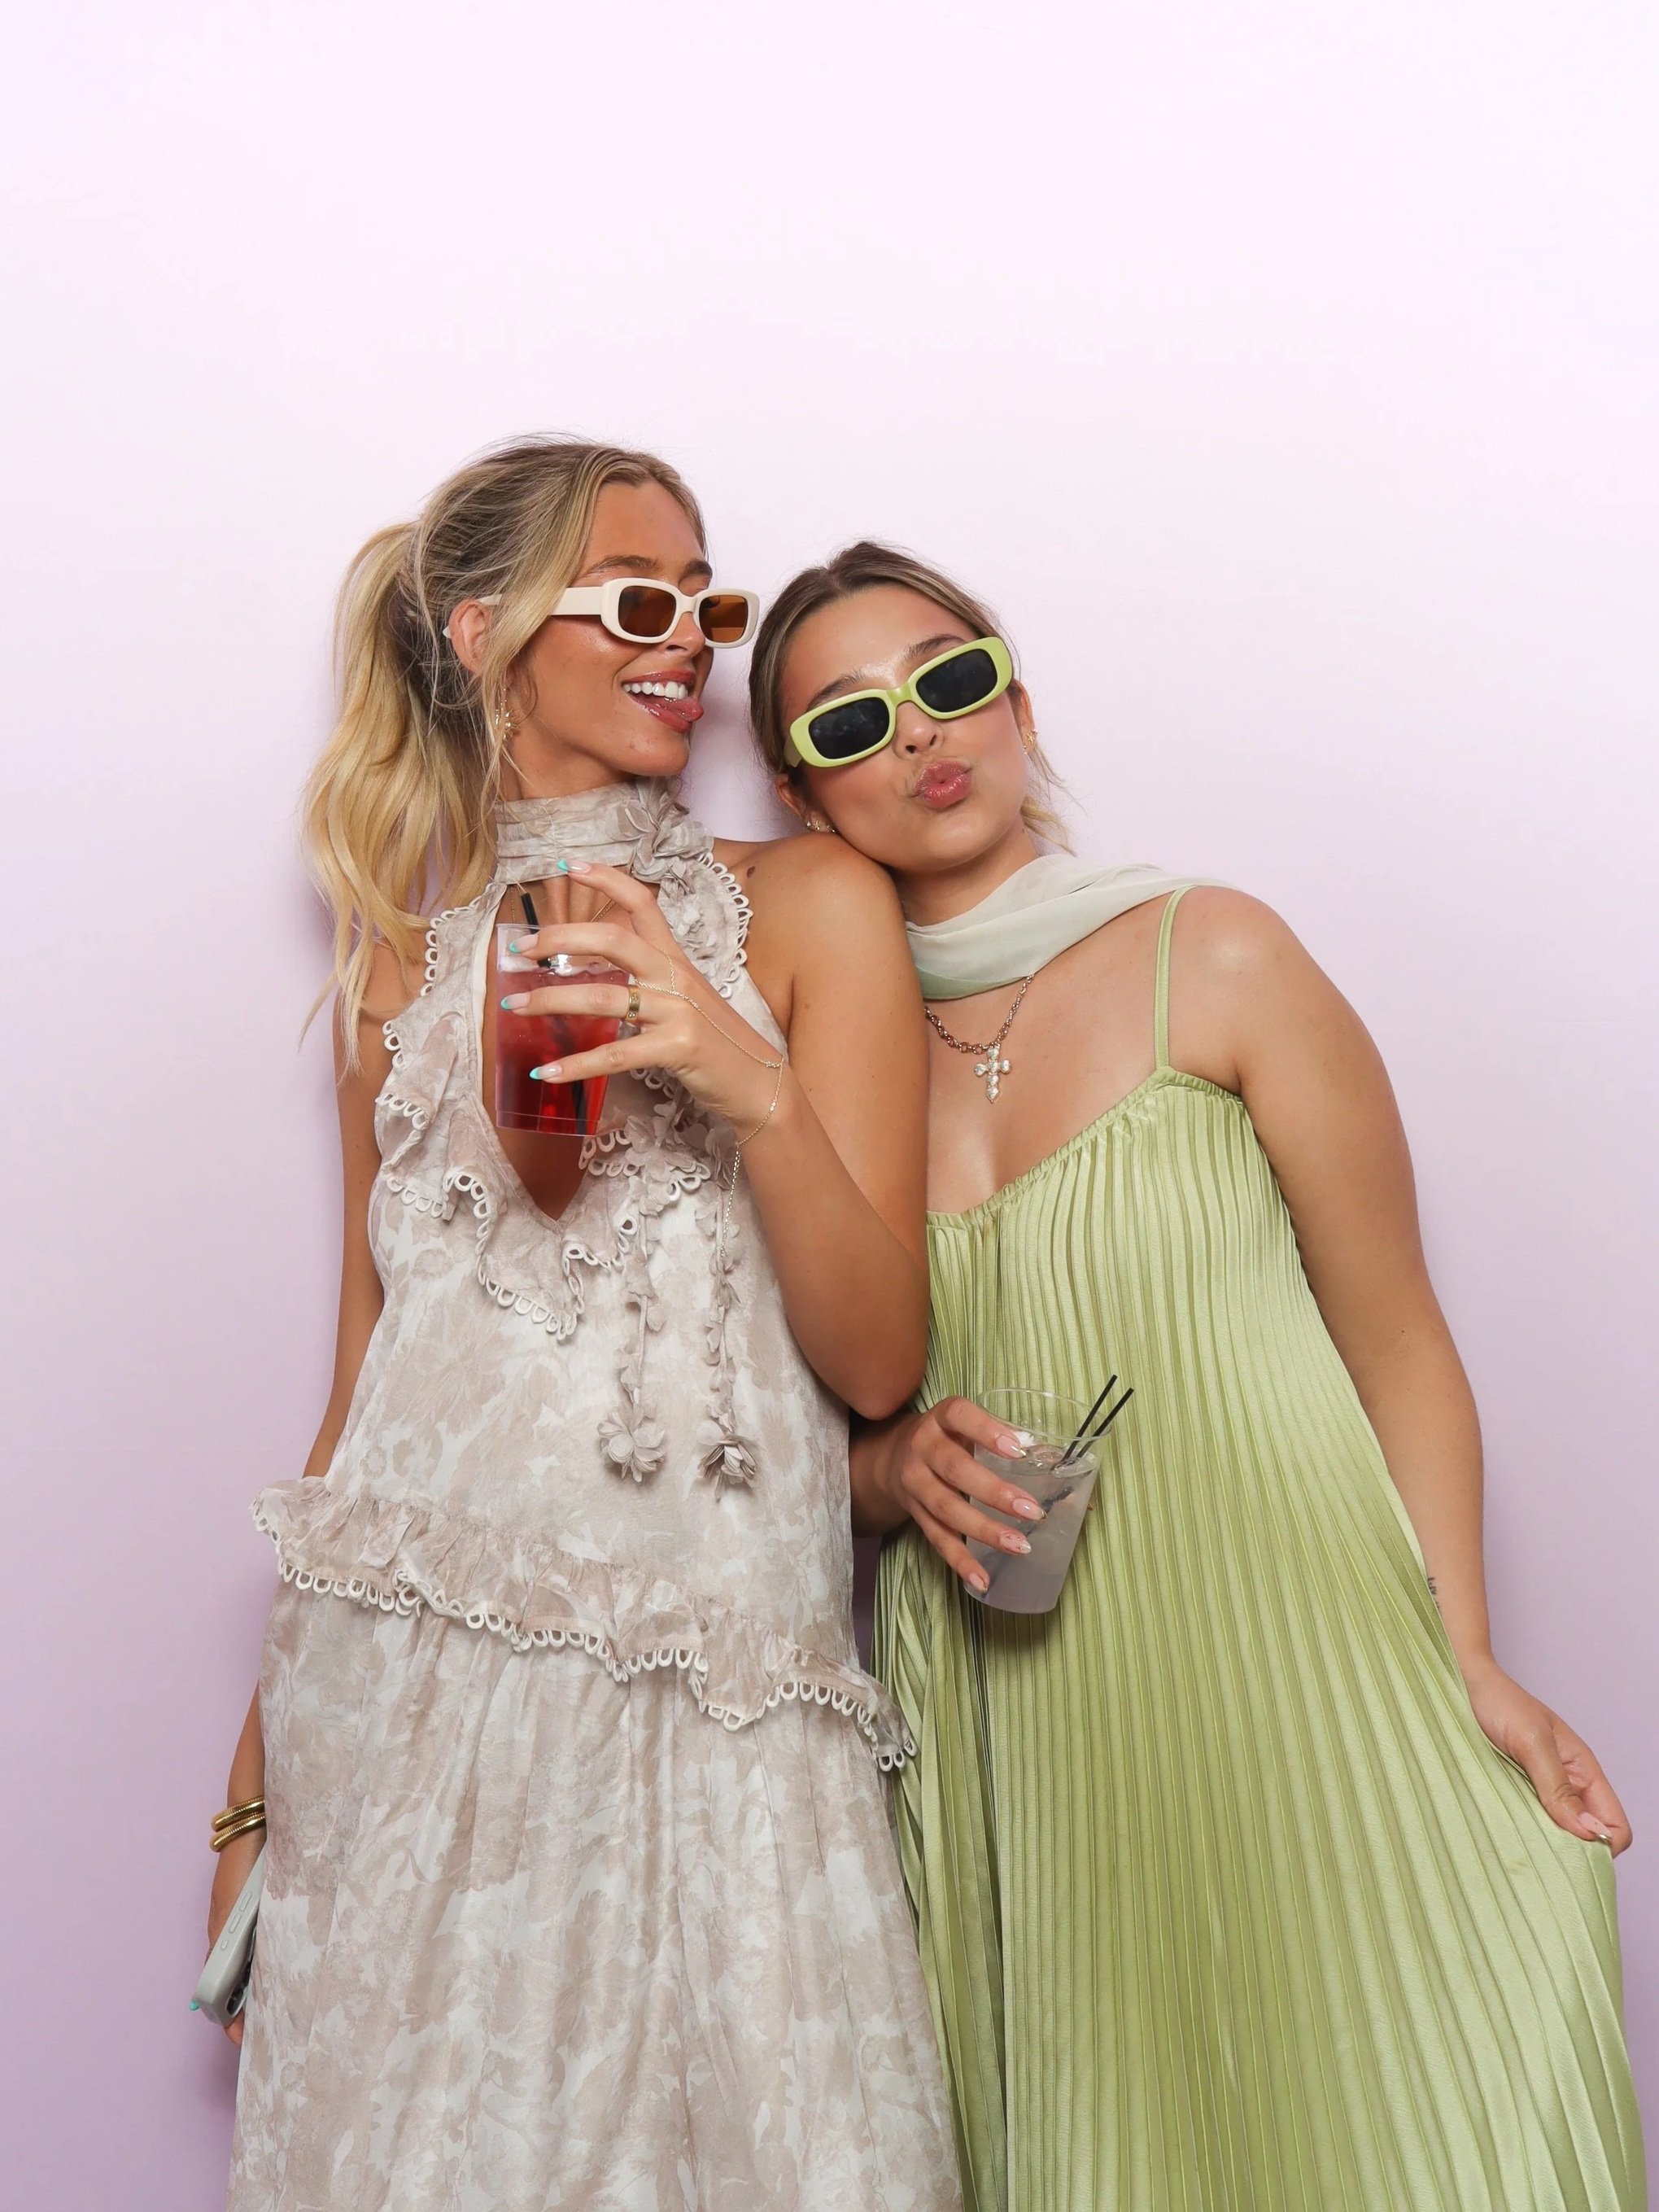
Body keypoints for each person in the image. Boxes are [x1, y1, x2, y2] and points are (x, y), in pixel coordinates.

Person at [746, 540, 1645, 2212]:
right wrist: (882, 1475)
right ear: (803, 802)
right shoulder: (803, 1072)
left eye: (950, 680)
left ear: (1017, 706)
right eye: (852, 722)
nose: (920, 734)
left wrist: (1464, 1656)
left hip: (1304, 1655)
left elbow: (1400, 1337)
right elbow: (787, 1428)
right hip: (1023, 1722)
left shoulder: (1214, 954)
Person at [210, 448, 958, 2210]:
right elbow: (365, 1389)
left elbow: (879, 1365)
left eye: (703, 603)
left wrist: (746, 1079)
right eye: (634, 600)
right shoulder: (394, 967)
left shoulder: (809, 909)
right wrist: (255, 1781)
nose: (685, 641)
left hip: (713, 1700)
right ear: (483, 636)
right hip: (411, 1717)